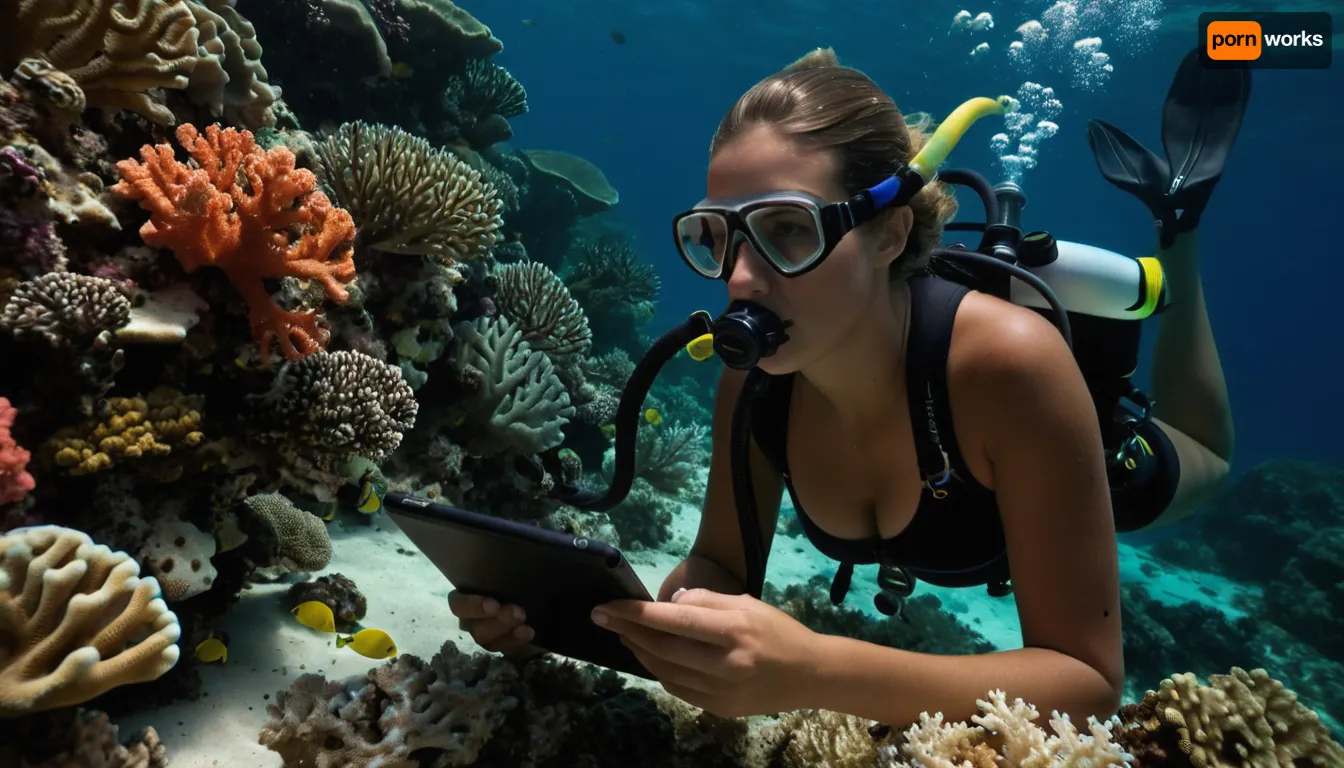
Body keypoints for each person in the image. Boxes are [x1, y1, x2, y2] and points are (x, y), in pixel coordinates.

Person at [449, 47, 1246, 726]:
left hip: (1101, 460)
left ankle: (1182, 231)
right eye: (717, 237)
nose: (741, 279)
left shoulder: (1013, 367)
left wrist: (817, 671)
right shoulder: (754, 375)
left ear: (890, 233)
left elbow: (1087, 681)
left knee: (1205, 458)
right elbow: (719, 567)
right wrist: (615, 621)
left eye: (788, 230)